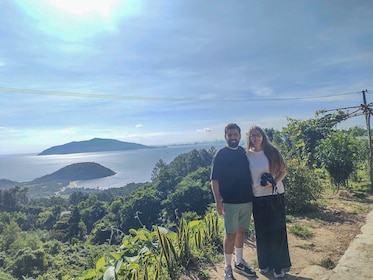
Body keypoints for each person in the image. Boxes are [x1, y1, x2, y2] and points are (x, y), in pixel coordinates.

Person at [210, 123, 256, 280]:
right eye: (230, 135)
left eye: (235, 134)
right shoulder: (220, 155)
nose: (233, 137)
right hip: (229, 202)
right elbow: (214, 180)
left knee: (241, 232)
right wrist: (218, 201)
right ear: (225, 137)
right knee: (230, 234)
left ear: (239, 136)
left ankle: (239, 261)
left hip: (246, 200)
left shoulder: (243, 153)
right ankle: (227, 267)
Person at [246, 126, 291, 279]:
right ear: (249, 138)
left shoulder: (272, 151)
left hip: (275, 195)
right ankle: (264, 263)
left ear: (263, 136)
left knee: (276, 231)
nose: (255, 138)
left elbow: (283, 170)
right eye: (252, 136)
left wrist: (274, 183)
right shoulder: (247, 155)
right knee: (262, 231)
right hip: (257, 197)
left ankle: (278, 266)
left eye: (258, 135)